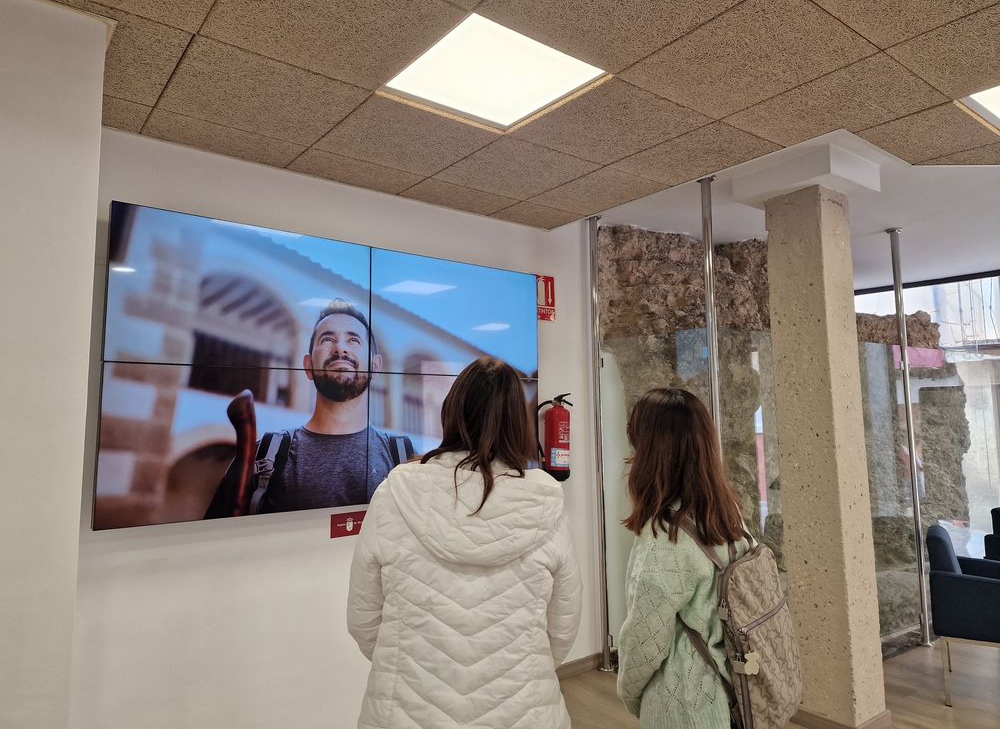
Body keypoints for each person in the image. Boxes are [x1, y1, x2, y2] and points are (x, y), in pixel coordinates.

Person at [346, 356, 582, 729]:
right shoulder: (546, 500)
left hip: (404, 711)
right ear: (518, 421)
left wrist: (409, 668)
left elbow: (363, 619)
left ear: (451, 411)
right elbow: (563, 626)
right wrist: (519, 670)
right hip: (525, 711)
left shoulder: (395, 491)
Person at [616, 388, 749, 729]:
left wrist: (630, 695)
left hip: (686, 706)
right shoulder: (726, 514)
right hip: (737, 692)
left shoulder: (666, 536)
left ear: (650, 451)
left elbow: (645, 641)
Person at [205, 298, 412, 517]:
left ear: (375, 366)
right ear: (308, 366)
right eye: (327, 339)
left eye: (353, 340)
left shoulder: (403, 456)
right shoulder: (263, 453)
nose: (340, 348)